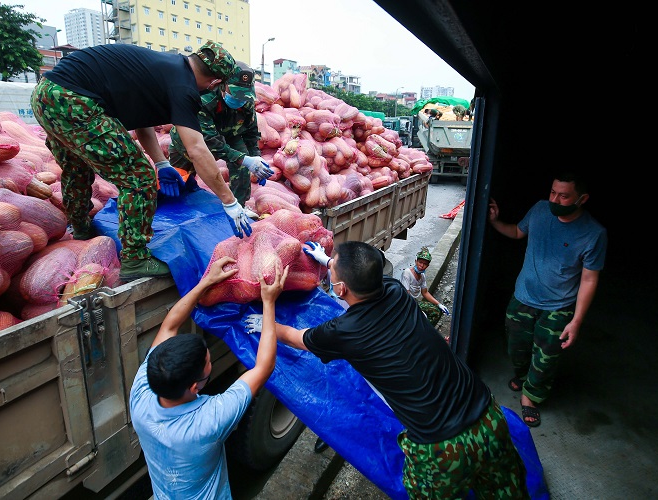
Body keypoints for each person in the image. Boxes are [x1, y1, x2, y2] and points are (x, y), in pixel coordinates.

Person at [246, 241, 529, 499]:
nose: (329, 265)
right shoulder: (395, 290)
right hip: (488, 415)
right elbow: (365, 277)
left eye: (332, 264)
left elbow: (296, 337)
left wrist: (267, 311)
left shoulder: (344, 331)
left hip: (442, 446)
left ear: (342, 289)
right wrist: (327, 263)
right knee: (509, 492)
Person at [30, 41, 254, 281]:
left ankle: (81, 229)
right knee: (139, 177)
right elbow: (197, 149)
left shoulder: (166, 67)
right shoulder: (183, 85)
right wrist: (230, 202)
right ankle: (135, 259)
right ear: (215, 82)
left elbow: (141, 122)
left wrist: (162, 163)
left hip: (46, 94)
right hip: (74, 100)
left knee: (77, 168)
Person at [129, 257, 288, 499]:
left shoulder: (141, 393)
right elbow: (264, 367)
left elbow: (169, 326)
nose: (210, 360)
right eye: (208, 362)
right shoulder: (209, 420)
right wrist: (269, 302)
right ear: (194, 386)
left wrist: (206, 282)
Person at [488, 171, 607, 428]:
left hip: (558, 306)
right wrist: (496, 222)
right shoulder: (541, 210)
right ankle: (523, 376)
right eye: (553, 192)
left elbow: (589, 279)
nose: (555, 199)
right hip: (523, 297)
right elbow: (518, 233)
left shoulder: (593, 234)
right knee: (516, 347)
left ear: (582, 198)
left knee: (546, 357)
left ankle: (531, 397)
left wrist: (576, 321)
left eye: (564, 196)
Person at [168, 60, 272, 219]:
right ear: (223, 85)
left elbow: (251, 133)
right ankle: (175, 215)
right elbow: (210, 141)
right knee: (180, 178)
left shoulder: (246, 101)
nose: (239, 100)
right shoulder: (204, 100)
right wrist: (243, 159)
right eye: (236, 94)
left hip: (230, 133)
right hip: (192, 140)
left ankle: (239, 207)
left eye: (244, 95)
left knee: (243, 164)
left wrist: (255, 157)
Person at [400, 246, 450, 326]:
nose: (421, 266)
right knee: (420, 318)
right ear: (416, 261)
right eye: (420, 262)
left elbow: (425, 292)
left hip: (414, 302)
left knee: (437, 311)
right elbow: (406, 294)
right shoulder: (407, 273)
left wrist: (439, 304)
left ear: (428, 266)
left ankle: (425, 330)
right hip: (406, 303)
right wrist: (418, 310)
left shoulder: (422, 275)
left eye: (425, 264)